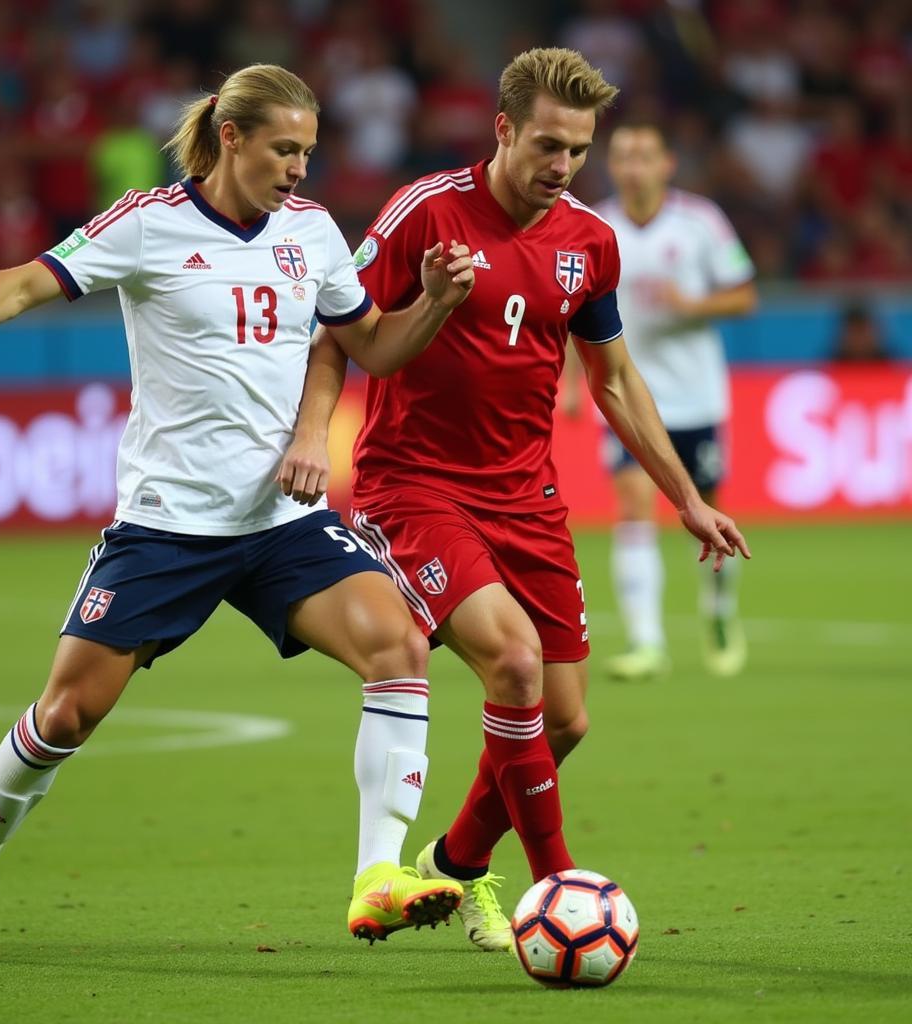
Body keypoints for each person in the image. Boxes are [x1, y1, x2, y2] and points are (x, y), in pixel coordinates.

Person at [0, 64, 476, 966]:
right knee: (66, 716)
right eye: (284, 149)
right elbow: (25, 282)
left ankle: (377, 876)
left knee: (396, 644)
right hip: (168, 525)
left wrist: (435, 302)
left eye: (309, 152)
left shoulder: (314, 234)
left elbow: (375, 347)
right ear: (233, 138)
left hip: (280, 520)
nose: (298, 169)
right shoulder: (148, 224)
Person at [307, 47, 750, 952]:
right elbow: (338, 329)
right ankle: (559, 885)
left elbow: (616, 379)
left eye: (578, 151)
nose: (563, 167)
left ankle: (456, 862)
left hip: (527, 496)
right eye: (548, 145)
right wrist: (311, 437)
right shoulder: (422, 213)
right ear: (503, 128)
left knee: (564, 719)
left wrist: (686, 499)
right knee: (512, 662)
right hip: (414, 485)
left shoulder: (589, 241)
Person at [582, 122, 758, 679]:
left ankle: (720, 612)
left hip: (695, 396)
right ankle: (647, 643)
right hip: (625, 396)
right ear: (612, 166)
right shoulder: (594, 226)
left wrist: (690, 304)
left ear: (667, 164)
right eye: (623, 156)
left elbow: (745, 294)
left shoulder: (700, 221)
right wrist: (568, 383)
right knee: (633, 505)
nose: (633, 166)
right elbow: (570, 309)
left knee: (706, 509)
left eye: (644, 156)